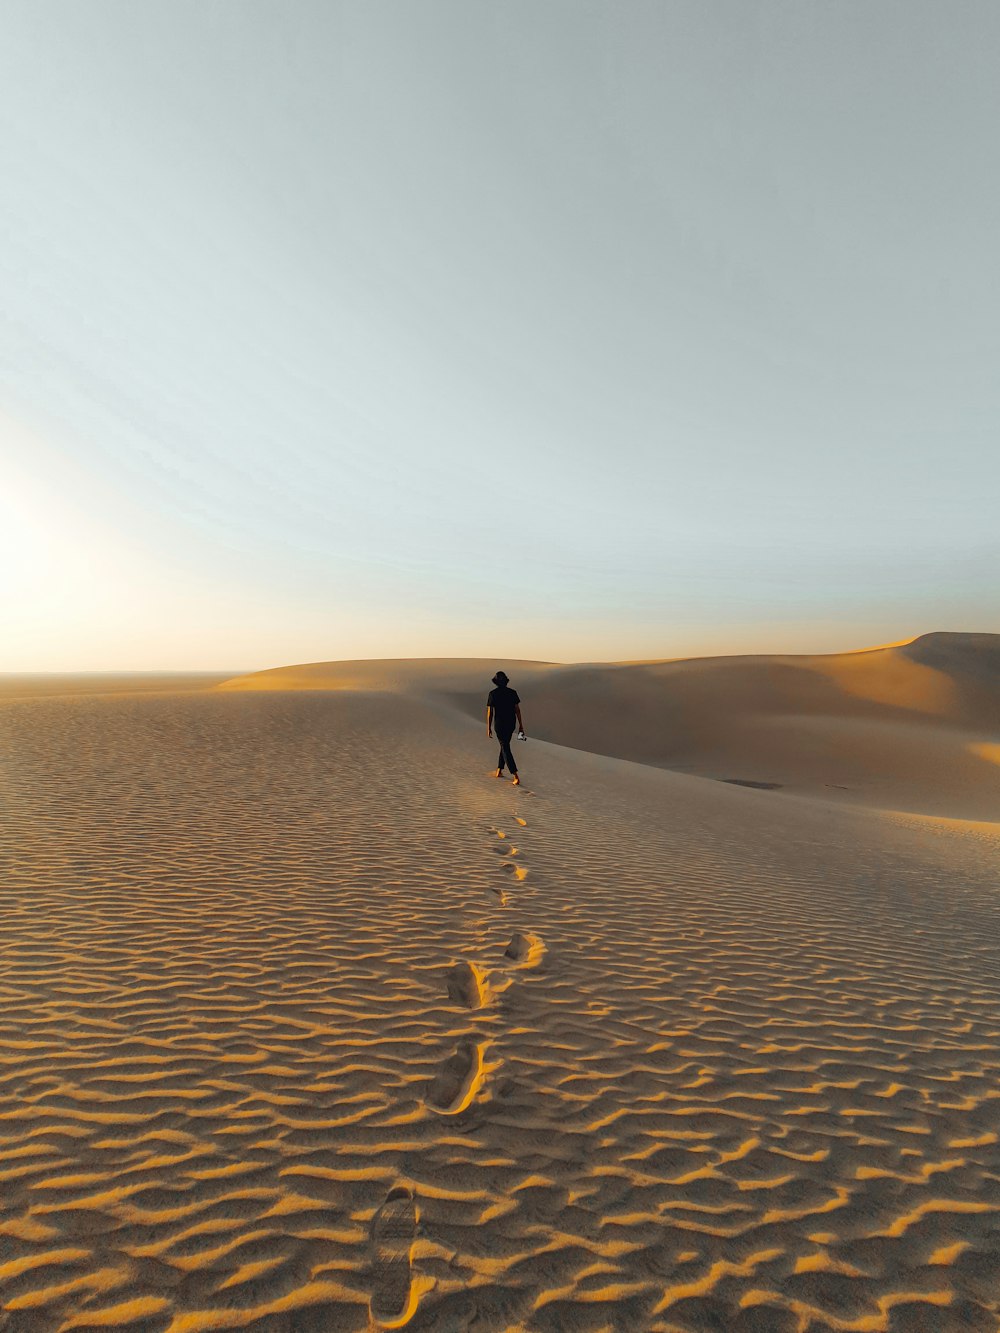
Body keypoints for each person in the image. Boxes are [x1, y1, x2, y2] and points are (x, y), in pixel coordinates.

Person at [486, 670, 524, 785]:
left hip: (499, 725)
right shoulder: (512, 693)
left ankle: (515, 775)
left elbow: (490, 713)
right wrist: (521, 725)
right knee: (505, 745)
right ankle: (499, 770)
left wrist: (489, 727)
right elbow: (517, 710)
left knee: (505, 747)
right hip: (511, 724)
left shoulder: (493, 694)